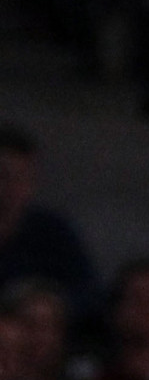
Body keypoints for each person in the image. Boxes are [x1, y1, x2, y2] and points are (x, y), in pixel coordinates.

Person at [0, 126, 99, 320]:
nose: (10, 188)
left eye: (21, 178)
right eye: (3, 176)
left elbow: (88, 292)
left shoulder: (52, 233)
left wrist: (48, 305)